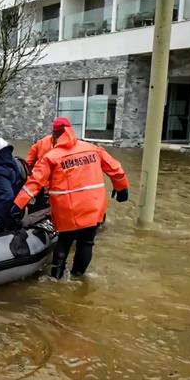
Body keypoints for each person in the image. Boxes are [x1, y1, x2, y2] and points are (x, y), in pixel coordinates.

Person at [11, 117, 129, 280]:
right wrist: (121, 188)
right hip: (93, 205)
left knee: (65, 241)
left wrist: (18, 204)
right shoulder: (93, 149)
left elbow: (35, 181)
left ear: (54, 134)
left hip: (68, 208)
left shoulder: (51, 156)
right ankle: (78, 278)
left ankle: (56, 278)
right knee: (86, 242)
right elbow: (115, 168)